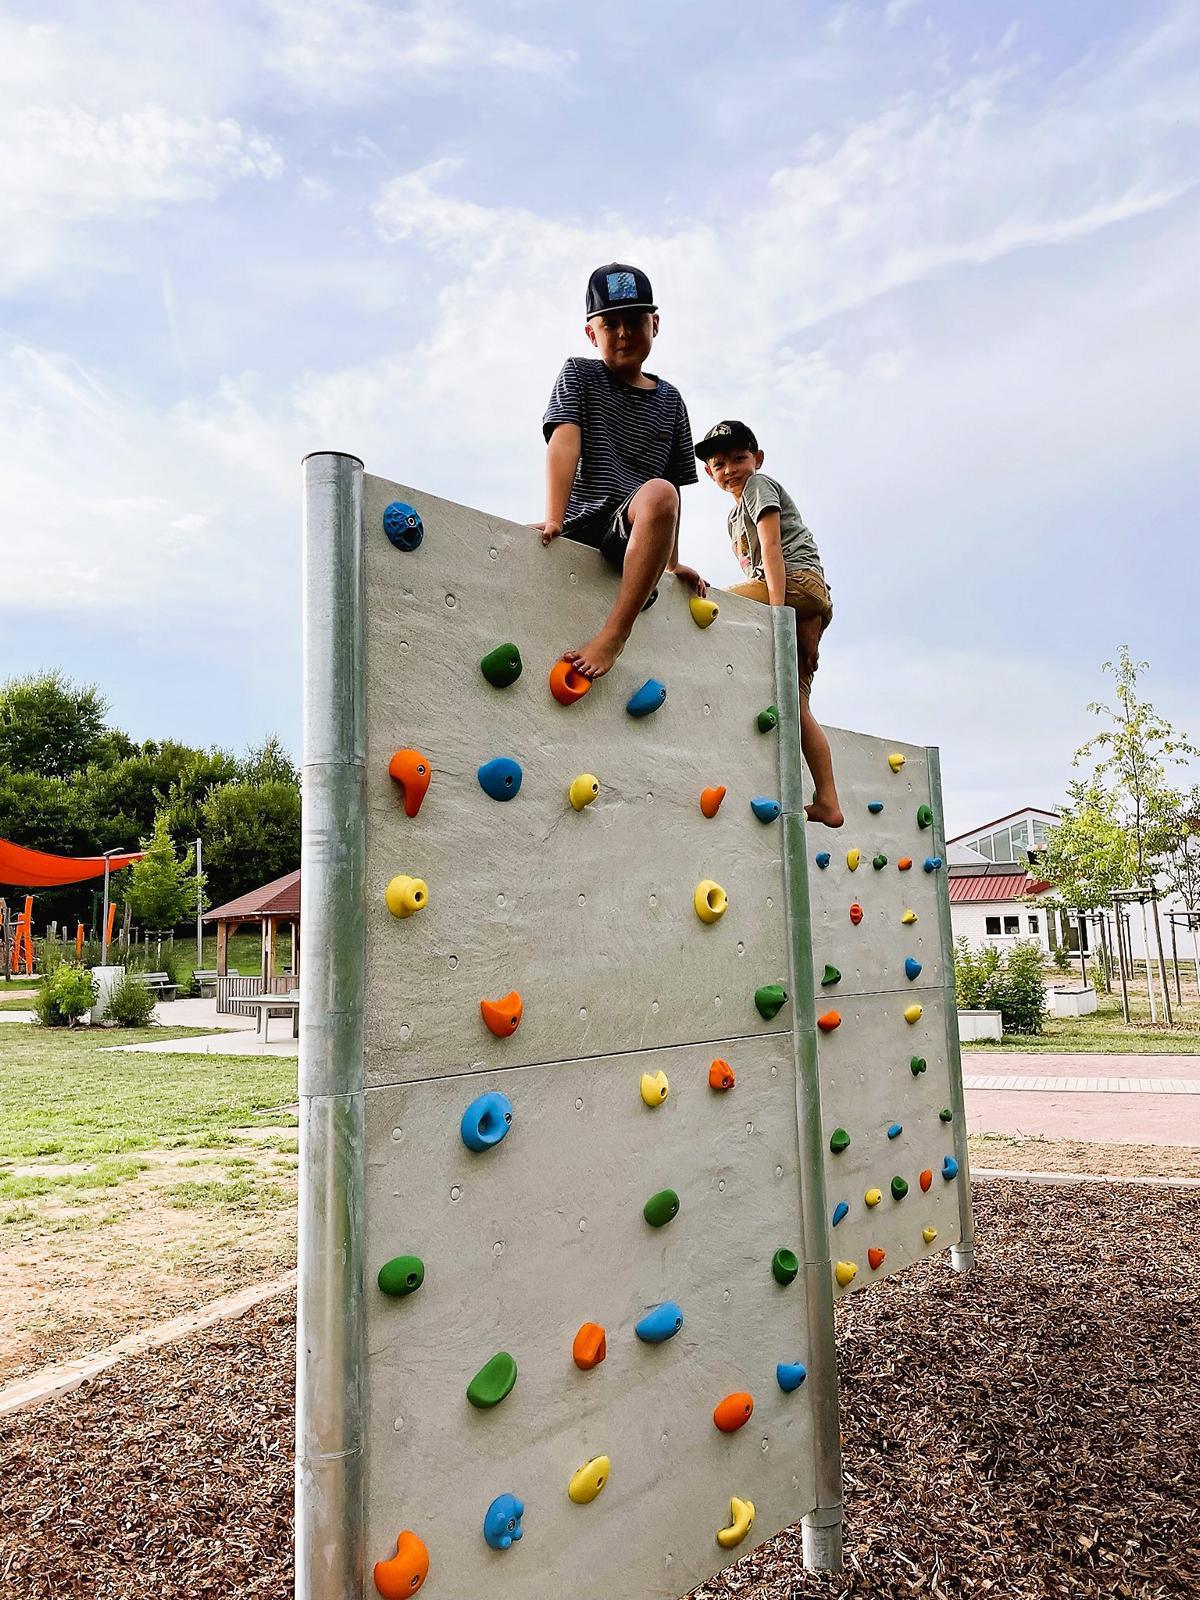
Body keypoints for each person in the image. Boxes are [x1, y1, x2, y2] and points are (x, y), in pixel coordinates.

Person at [537, 262, 707, 680]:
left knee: (662, 491)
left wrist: (671, 563)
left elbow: (672, 494)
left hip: (630, 528)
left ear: (656, 324)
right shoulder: (580, 374)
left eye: (634, 321)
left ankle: (615, 632)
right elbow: (565, 441)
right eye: (610, 324)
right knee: (659, 492)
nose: (624, 333)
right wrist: (556, 516)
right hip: (585, 519)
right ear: (591, 333)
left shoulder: (671, 400)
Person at [696, 420, 844, 828]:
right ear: (709, 473)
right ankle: (828, 801)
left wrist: (777, 611)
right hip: (807, 603)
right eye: (719, 463)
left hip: (796, 584)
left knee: (709, 601)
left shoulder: (760, 487)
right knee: (797, 706)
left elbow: (772, 548)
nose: (731, 470)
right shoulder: (732, 516)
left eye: (740, 458)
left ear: (757, 459)